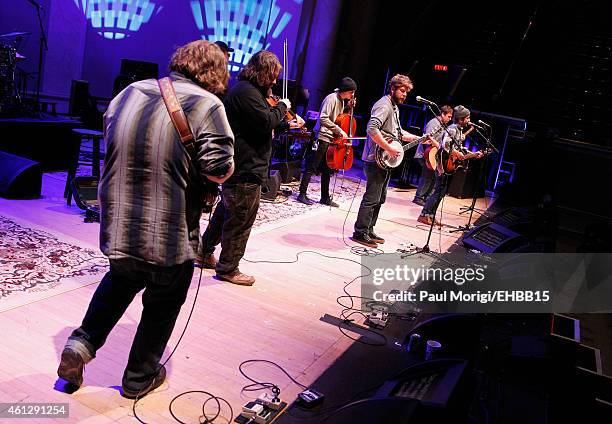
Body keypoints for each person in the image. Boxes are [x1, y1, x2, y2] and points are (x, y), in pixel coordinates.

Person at [56, 40, 235, 398]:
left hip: (120, 225)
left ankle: (81, 344)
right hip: (168, 233)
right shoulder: (208, 104)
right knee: (163, 301)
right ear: (216, 73)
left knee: (120, 281)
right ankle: (138, 378)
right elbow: (218, 169)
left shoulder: (129, 93)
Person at [198, 50, 303, 286]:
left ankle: (203, 252)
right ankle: (228, 268)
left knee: (226, 213)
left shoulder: (250, 91)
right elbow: (266, 121)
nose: (275, 81)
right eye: (273, 76)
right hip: (245, 167)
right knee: (241, 219)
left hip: (243, 165)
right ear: (263, 72)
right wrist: (283, 107)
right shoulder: (246, 92)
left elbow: (262, 127)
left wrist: (286, 123)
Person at [351, 74, 424, 248]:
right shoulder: (384, 105)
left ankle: (369, 229)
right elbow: (372, 128)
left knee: (380, 197)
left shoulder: (395, 107)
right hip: (374, 159)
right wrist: (389, 148)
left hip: (384, 160)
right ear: (392, 88)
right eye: (402, 90)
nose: (405, 94)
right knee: (372, 197)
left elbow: (397, 134)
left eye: (407, 91)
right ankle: (360, 231)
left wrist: (419, 138)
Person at [297, 77, 357, 207]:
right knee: (311, 166)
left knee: (327, 168)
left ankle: (324, 197)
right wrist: (339, 130)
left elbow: (339, 118)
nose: (352, 95)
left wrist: (349, 108)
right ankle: (301, 194)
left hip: (331, 139)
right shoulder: (331, 98)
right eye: (351, 92)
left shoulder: (341, 101)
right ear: (345, 90)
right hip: (321, 137)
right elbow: (323, 117)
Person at [417, 105, 481, 226]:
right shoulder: (452, 128)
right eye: (467, 118)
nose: (468, 120)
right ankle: (424, 214)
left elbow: (457, 147)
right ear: (461, 118)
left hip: (449, 163)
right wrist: (459, 155)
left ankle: (431, 215)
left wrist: (472, 154)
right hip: (443, 163)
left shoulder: (459, 129)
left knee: (441, 192)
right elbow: (445, 145)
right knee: (438, 191)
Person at [412, 105, 453, 206]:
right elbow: (427, 138)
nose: (450, 119)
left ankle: (425, 197)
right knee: (427, 176)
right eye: (449, 116)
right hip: (425, 153)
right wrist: (429, 156)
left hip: (433, 154)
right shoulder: (434, 123)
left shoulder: (443, 125)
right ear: (442, 114)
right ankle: (419, 197)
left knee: (432, 177)